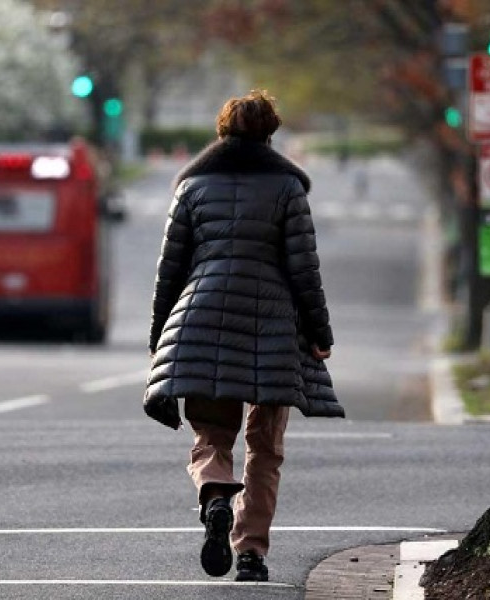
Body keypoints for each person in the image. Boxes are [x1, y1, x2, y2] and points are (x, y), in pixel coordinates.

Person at [144, 90, 343, 582]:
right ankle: (251, 551)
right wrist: (319, 333)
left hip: (202, 319)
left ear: (222, 130)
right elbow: (304, 270)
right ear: (271, 134)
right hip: (272, 328)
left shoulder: (191, 187)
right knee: (265, 446)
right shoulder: (288, 190)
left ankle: (214, 494)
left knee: (211, 432)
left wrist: (160, 336)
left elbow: (170, 269)